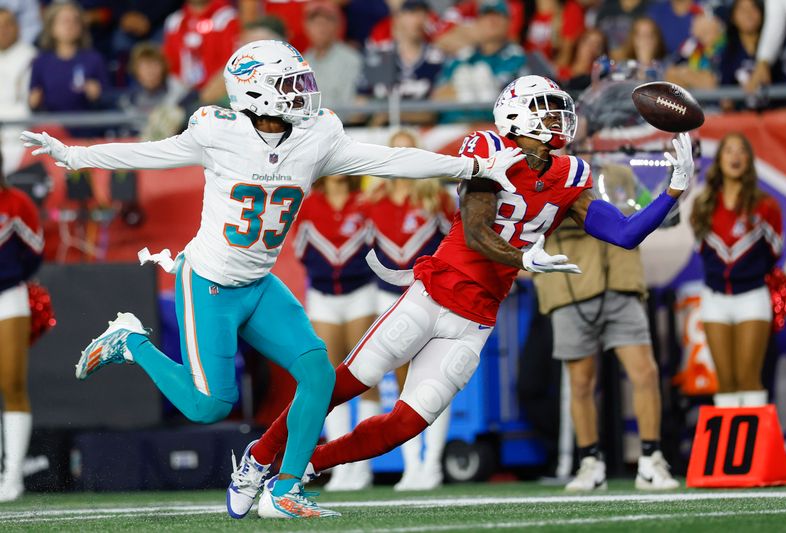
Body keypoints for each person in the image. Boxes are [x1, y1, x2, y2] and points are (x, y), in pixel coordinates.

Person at [20, 39, 522, 519]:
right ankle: (130, 341)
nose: (304, 91)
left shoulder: (317, 136)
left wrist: (471, 165)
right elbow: (151, 152)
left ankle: (283, 487)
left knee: (320, 376)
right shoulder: (219, 132)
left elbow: (388, 160)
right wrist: (75, 155)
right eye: (291, 83)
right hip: (211, 284)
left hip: (260, 286)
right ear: (256, 92)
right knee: (208, 406)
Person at [243, 75, 695, 518]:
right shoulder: (488, 151)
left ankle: (305, 467)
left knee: (408, 423)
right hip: (433, 295)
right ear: (516, 116)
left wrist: (672, 190)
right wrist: (524, 260)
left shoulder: (570, 173)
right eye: (546, 109)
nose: (559, 118)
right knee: (343, 385)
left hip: (477, 318)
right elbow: (478, 231)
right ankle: (259, 456)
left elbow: (624, 233)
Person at [534, 164, 679, 492]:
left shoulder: (620, 172)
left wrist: (674, 185)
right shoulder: (548, 174)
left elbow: (666, 218)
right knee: (581, 382)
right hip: (569, 285)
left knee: (645, 373)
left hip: (621, 282)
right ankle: (590, 462)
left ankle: (650, 459)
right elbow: (532, 227)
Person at [367, 130, 456, 491]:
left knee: (435, 378)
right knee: (401, 382)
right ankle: (412, 464)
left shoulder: (436, 198)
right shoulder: (374, 201)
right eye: (395, 150)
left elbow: (457, 243)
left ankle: (432, 463)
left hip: (432, 296)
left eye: (408, 150)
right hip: (389, 297)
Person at [293, 174, 380, 492]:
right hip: (323, 297)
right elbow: (301, 250)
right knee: (327, 381)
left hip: (361, 293)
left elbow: (376, 245)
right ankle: (339, 465)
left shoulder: (364, 203)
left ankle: (363, 466)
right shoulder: (308, 204)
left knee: (364, 376)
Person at [690, 133, 782, 407]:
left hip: (752, 297)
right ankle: (731, 450)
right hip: (714, 299)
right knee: (726, 383)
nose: (735, 156)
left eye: (742, 150)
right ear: (719, 159)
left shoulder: (766, 206)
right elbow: (701, 251)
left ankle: (753, 450)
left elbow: (774, 252)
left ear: (749, 160)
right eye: (728, 150)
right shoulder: (702, 205)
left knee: (749, 380)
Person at [0, 153, 44, 502]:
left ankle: (12, 475)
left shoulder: (16, 203)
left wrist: (10, 275)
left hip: (7, 295)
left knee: (11, 381)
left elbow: (35, 251)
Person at [433, 0, 529, 122]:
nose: (492, 21)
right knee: (464, 74)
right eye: (486, 15)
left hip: (495, 127)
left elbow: (526, 102)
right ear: (477, 22)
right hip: (453, 127)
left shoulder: (519, 58)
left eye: (498, 15)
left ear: (508, 23)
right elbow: (438, 96)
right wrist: (464, 92)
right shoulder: (463, 56)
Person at [28, 2, 109, 117]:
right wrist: (34, 102)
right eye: (64, 21)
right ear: (51, 27)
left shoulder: (94, 59)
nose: (70, 25)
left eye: (75, 21)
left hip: (87, 127)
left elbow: (109, 100)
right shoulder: (40, 62)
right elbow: (33, 102)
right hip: (52, 128)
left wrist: (97, 95)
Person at [302, 1, 362, 110]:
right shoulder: (301, 62)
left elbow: (348, 105)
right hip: (306, 124)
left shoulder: (351, 59)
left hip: (341, 125)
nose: (321, 28)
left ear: (336, 25)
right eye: (315, 23)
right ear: (306, 26)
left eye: (326, 22)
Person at [0, 8, 36, 122]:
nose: (3, 30)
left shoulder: (32, 56)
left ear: (18, 28)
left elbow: (27, 103)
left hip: (19, 123)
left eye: (7, 25)